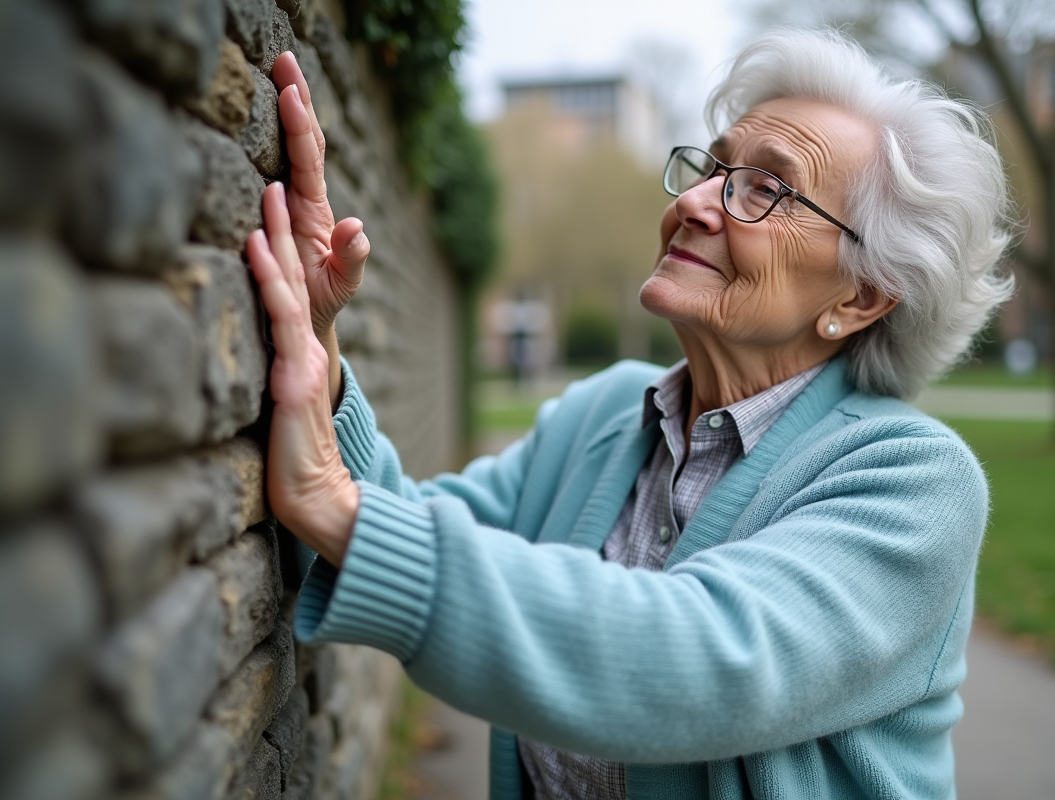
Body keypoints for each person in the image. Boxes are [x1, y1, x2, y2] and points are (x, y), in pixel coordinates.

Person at [248, 29, 1013, 800]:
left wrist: (336, 506)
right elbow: (390, 529)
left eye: (765, 189)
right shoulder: (606, 411)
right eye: (714, 169)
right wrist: (317, 346)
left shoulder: (913, 483)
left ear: (859, 297)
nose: (691, 203)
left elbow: (691, 663)